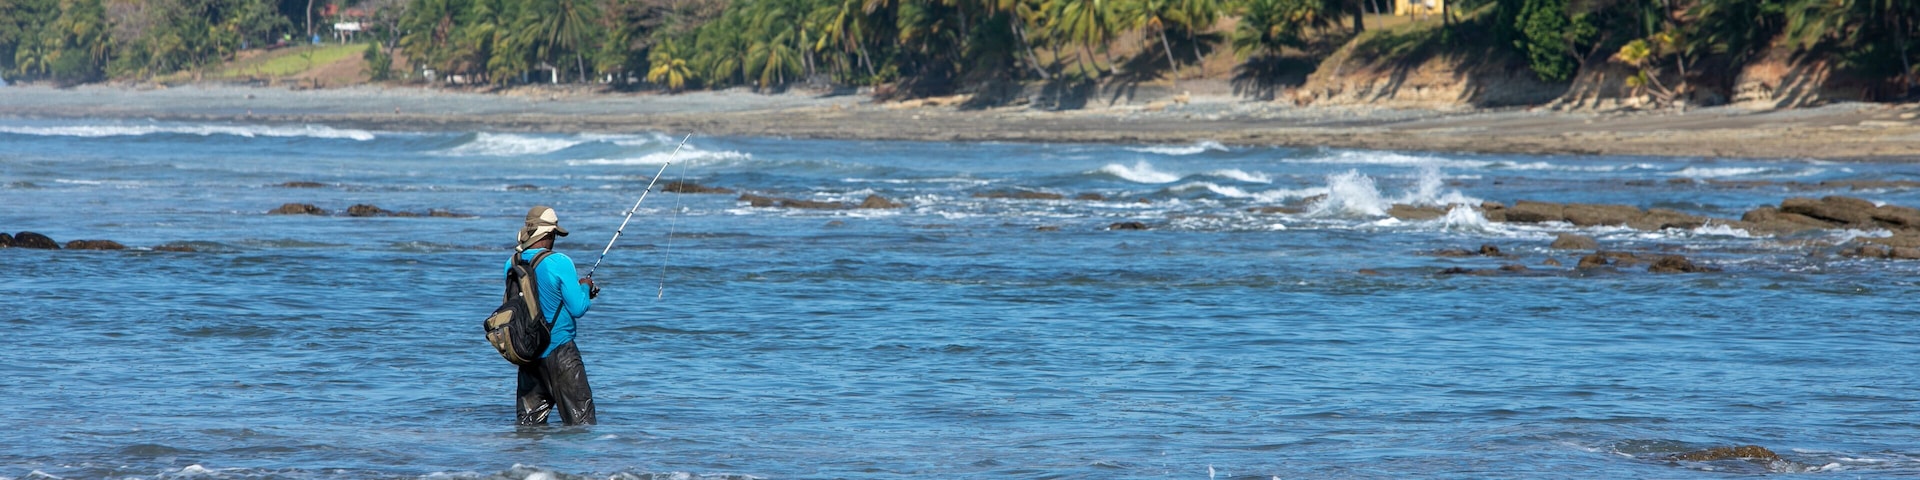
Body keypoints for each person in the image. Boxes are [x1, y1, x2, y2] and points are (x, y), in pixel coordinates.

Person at [506, 205, 599, 425]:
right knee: (581, 426)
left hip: (528, 354)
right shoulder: (560, 262)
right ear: (548, 234)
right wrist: (585, 287)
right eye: (555, 234)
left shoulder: (511, 263)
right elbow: (578, 308)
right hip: (561, 353)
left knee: (529, 428)